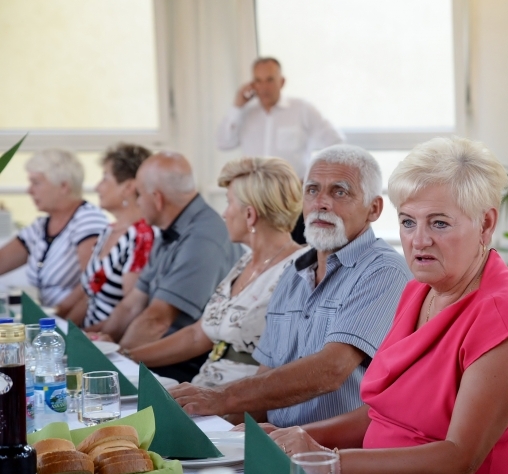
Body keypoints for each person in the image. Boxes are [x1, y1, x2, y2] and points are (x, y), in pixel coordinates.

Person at [265, 137, 508, 474]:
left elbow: (458, 460)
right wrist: (290, 437)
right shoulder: (419, 290)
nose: (419, 240)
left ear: (486, 223)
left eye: (439, 223)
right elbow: (379, 417)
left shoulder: (505, 318)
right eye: (408, 222)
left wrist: (325, 462)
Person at [169, 145, 411, 424]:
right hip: (277, 442)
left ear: (374, 209)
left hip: (332, 456)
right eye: (312, 190)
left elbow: (331, 370)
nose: (320, 202)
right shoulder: (293, 274)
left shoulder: (383, 270)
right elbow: (264, 384)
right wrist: (202, 424)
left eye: (339, 192)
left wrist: (221, 398)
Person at [124, 156, 307, 387]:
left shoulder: (297, 270)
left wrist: (221, 409)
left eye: (229, 203)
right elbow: (197, 335)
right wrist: (127, 357)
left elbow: (280, 368)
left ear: (250, 215)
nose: (224, 214)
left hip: (234, 405)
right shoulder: (245, 263)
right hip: (202, 389)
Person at [94, 151, 242, 382]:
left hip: (187, 364)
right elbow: (131, 305)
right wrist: (96, 348)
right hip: (157, 353)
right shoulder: (170, 229)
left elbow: (157, 320)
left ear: (157, 198)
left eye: (139, 195)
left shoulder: (203, 237)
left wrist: (115, 367)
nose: (137, 202)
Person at [216, 57, 345, 244]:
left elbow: (337, 143)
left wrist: (313, 179)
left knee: (298, 252)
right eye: (258, 81)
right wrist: (237, 106)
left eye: (269, 79)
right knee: (261, 251)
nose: (264, 87)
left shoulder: (301, 109)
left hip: (292, 200)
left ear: (281, 82)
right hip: (255, 199)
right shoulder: (245, 114)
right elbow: (223, 143)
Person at [57, 144, 157, 327]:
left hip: (110, 344)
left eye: (105, 178)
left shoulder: (141, 238)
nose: (97, 187)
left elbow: (131, 313)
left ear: (128, 187)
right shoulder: (109, 230)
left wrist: (85, 339)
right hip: (90, 338)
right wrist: (62, 330)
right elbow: (89, 296)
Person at [0, 149, 107, 308]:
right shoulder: (41, 226)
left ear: (63, 186)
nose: (29, 190)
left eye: (36, 183)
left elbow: (92, 283)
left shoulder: (88, 220)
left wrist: (58, 316)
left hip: (75, 323)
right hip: (52, 319)